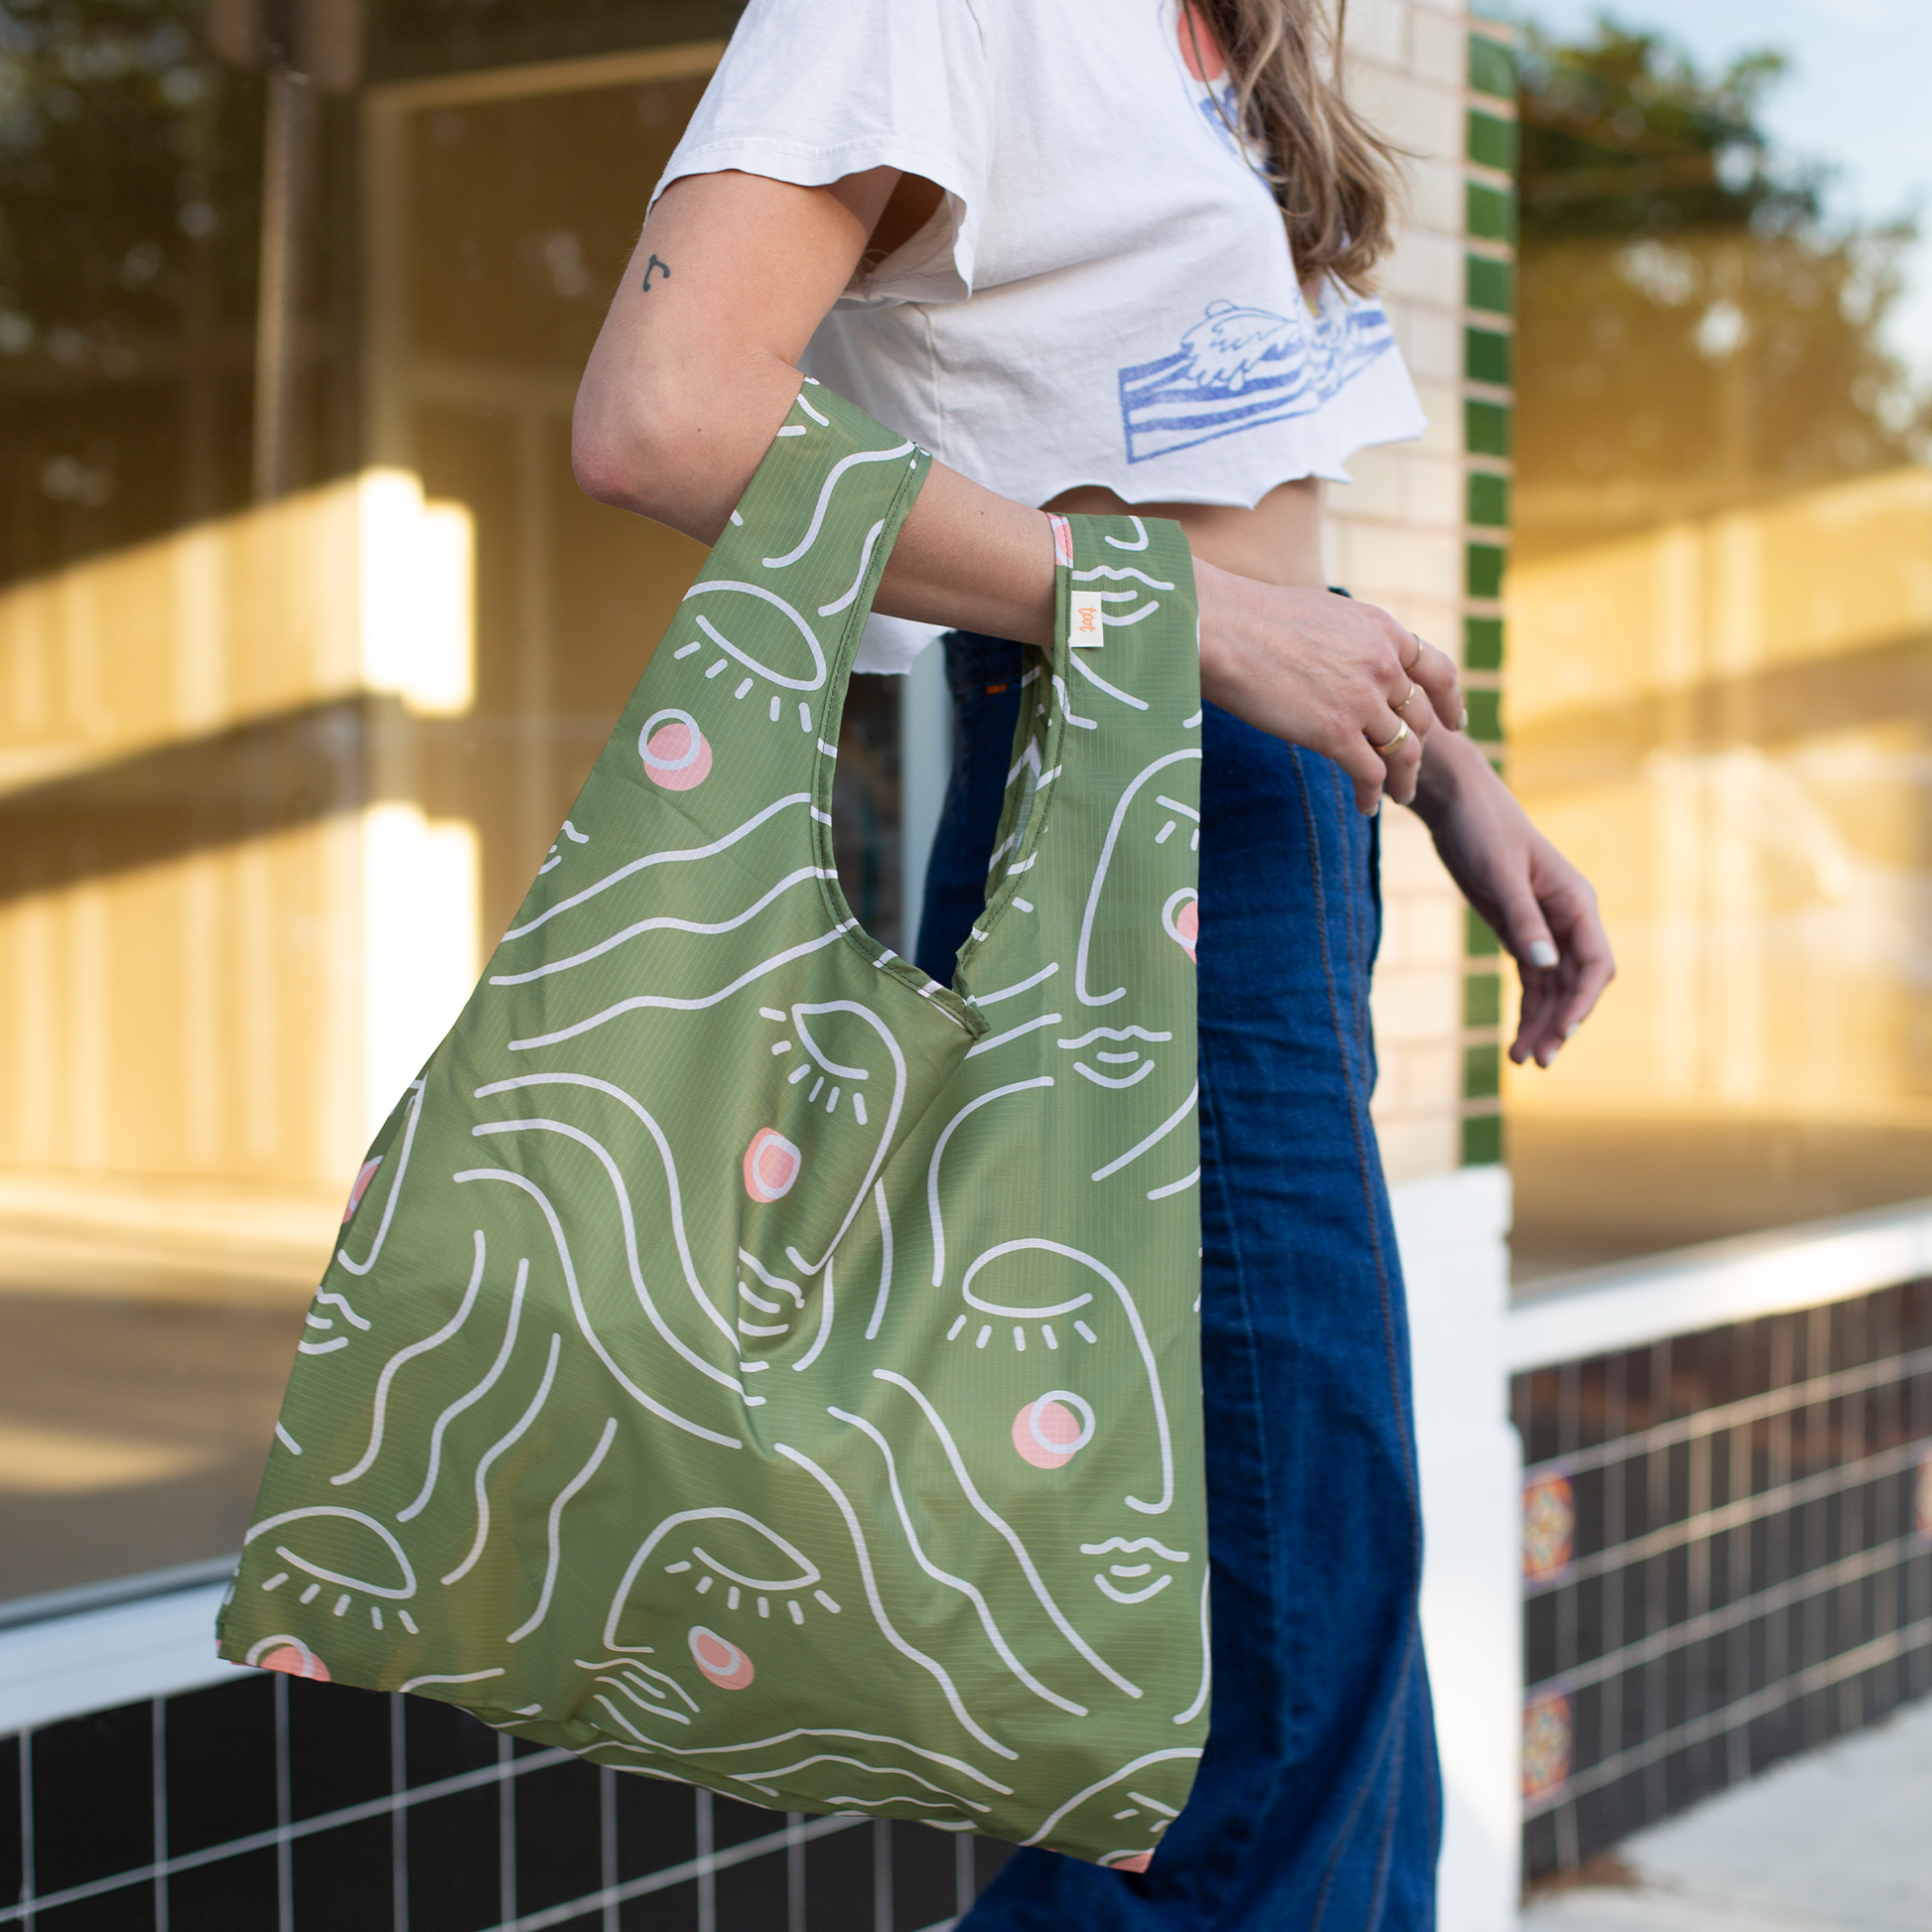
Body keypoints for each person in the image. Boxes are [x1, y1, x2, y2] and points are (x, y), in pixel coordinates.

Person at [571, 1, 1614, 1922]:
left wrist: (1436, 764)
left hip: (1263, 806)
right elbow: (665, 413)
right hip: (1131, 804)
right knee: (1268, 1695)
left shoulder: (1219, 41)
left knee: (1304, 1629)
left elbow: (1228, 519)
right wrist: (1197, 629)